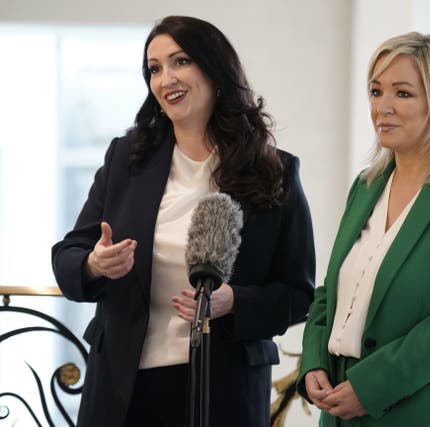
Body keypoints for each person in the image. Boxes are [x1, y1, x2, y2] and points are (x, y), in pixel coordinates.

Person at [51, 15, 315, 427]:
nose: (165, 78)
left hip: (225, 389)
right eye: (154, 68)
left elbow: (298, 294)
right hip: (124, 386)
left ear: (215, 70)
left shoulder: (273, 171)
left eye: (180, 61)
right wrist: (94, 263)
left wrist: (234, 302)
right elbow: (68, 256)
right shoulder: (126, 158)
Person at [296, 32, 430, 426]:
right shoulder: (366, 186)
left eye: (403, 93)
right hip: (342, 406)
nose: (383, 107)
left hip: (427, 410)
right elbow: (332, 290)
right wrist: (314, 362)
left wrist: (371, 386)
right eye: (376, 92)